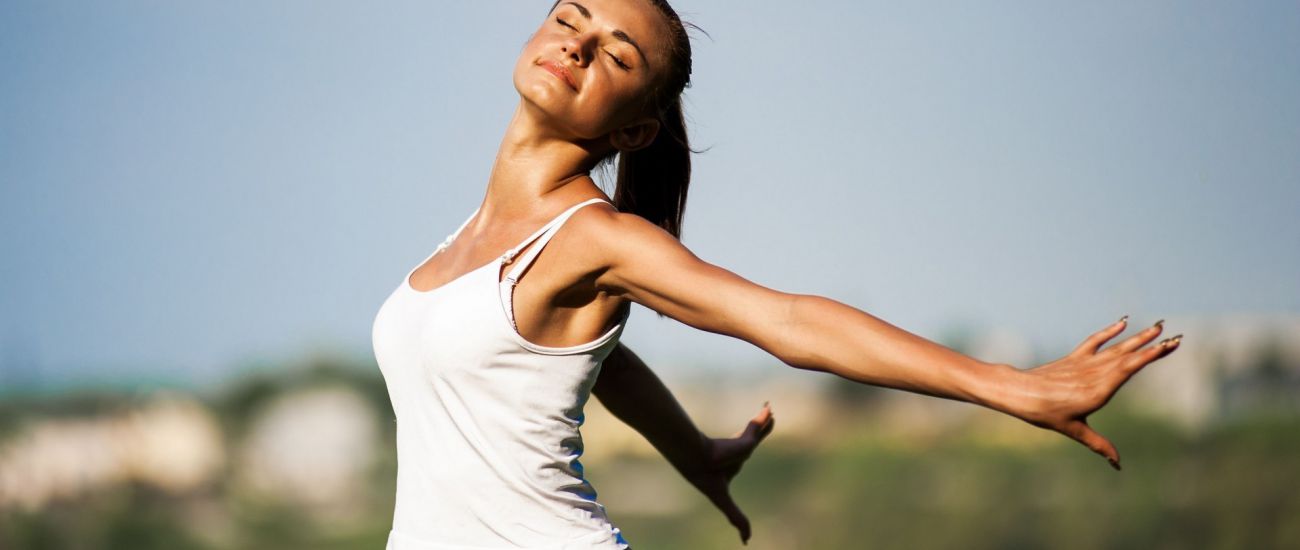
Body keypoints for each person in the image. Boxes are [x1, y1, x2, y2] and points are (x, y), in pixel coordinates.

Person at [371, 0, 1184, 548]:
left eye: (616, 55)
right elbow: (583, 362)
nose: (578, 44)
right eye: (570, 16)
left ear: (637, 128)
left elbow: (787, 321)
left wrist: (1012, 387)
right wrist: (695, 453)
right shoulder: (471, 242)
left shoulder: (595, 239)